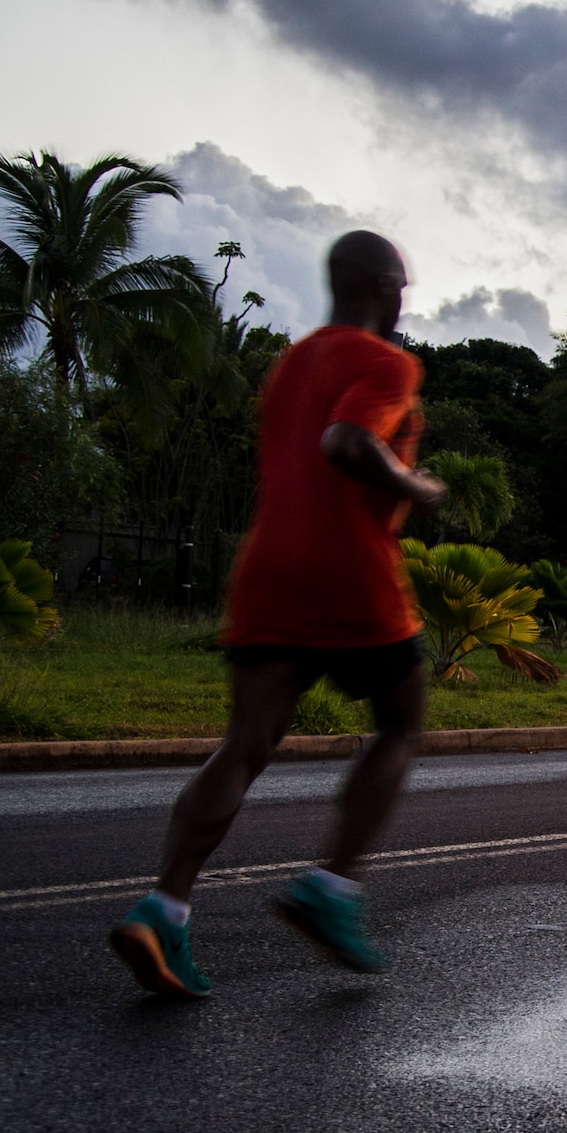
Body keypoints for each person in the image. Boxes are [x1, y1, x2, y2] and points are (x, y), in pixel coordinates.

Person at [109, 231, 446, 998]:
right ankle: (332, 889)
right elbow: (346, 441)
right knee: (400, 724)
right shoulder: (386, 362)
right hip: (352, 574)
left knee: (244, 745)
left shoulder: (290, 363)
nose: (403, 301)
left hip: (267, 574)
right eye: (401, 286)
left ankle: (163, 907)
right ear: (380, 284)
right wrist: (418, 489)